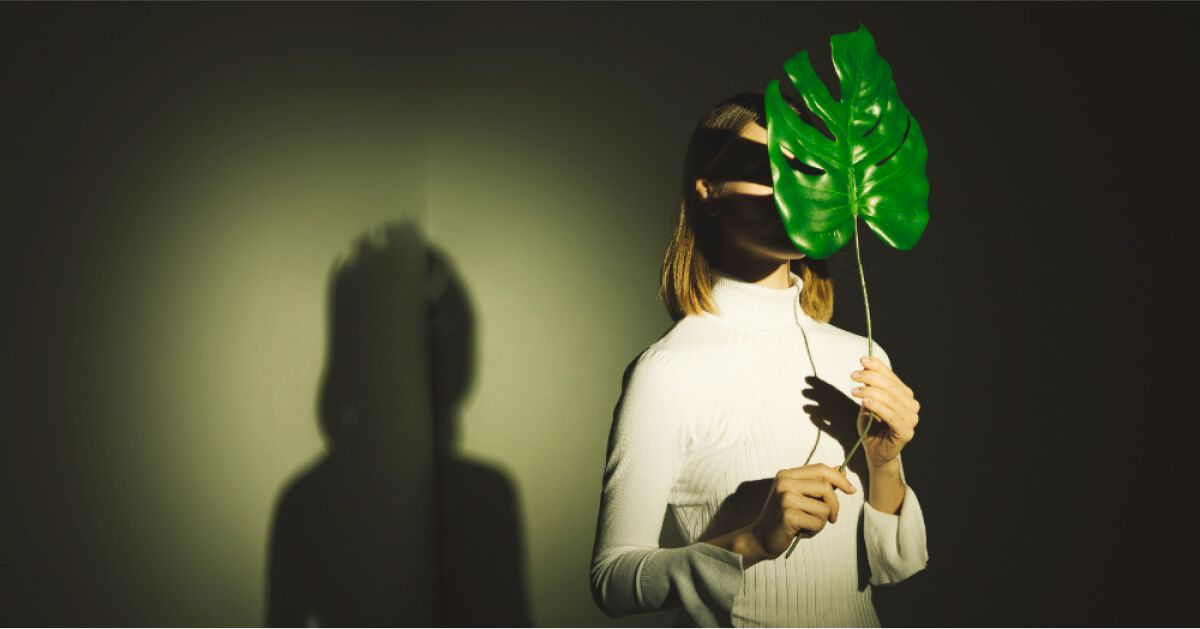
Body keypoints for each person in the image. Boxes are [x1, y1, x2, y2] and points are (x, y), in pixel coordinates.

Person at [589, 91, 929, 627]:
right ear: (709, 190)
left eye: (805, 170)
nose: (792, 191)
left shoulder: (857, 354)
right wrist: (750, 539)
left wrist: (884, 463)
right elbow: (612, 579)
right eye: (768, 170)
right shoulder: (669, 371)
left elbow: (892, 566)